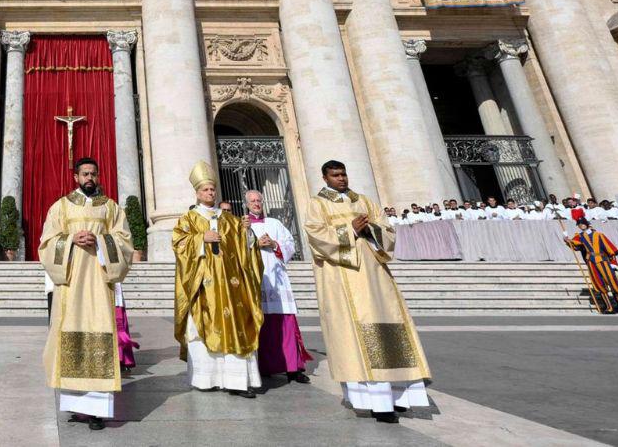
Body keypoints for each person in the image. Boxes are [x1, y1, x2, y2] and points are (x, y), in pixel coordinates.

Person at [305, 160, 431, 423]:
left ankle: (396, 397)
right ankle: (375, 402)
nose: (341, 179)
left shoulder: (363, 201)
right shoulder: (317, 204)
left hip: (375, 278)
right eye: (335, 175)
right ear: (325, 178)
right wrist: (350, 229)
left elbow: (387, 230)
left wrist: (370, 229)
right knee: (355, 335)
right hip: (343, 278)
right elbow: (315, 236)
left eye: (343, 174)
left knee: (387, 328)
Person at [39, 156, 133, 431]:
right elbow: (47, 241)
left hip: (99, 284)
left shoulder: (111, 208)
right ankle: (76, 405)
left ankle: (96, 411)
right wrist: (70, 240)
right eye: (84, 174)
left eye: (93, 173)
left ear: (98, 175)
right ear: (76, 177)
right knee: (70, 334)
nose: (89, 178)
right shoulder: (62, 206)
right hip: (71, 285)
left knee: (99, 334)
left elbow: (124, 240)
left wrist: (102, 241)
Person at [172, 161, 263, 398]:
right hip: (205, 286)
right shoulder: (188, 219)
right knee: (204, 327)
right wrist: (201, 238)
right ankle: (207, 379)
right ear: (197, 193)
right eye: (205, 190)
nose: (210, 193)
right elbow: (179, 245)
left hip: (232, 287)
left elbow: (245, 250)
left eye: (212, 189)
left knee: (236, 325)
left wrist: (247, 233)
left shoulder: (230, 219)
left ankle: (238, 381)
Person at [246, 189, 311, 384]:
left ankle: (293, 368)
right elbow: (236, 250)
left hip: (278, 278)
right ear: (246, 204)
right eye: (252, 201)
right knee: (262, 324)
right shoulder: (244, 225)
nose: (256, 204)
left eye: (259, 200)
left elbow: (289, 243)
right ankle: (265, 366)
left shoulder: (275, 223)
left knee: (286, 323)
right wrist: (254, 244)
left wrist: (274, 244)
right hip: (258, 278)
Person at [565, 218, 618, 315]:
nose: (581, 226)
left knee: (613, 283)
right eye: (579, 225)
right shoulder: (579, 236)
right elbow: (576, 246)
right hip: (591, 262)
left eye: (582, 224)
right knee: (599, 283)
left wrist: (613, 263)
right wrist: (567, 241)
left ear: (587, 224)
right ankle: (609, 307)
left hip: (603, 261)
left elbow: (610, 250)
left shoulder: (599, 235)